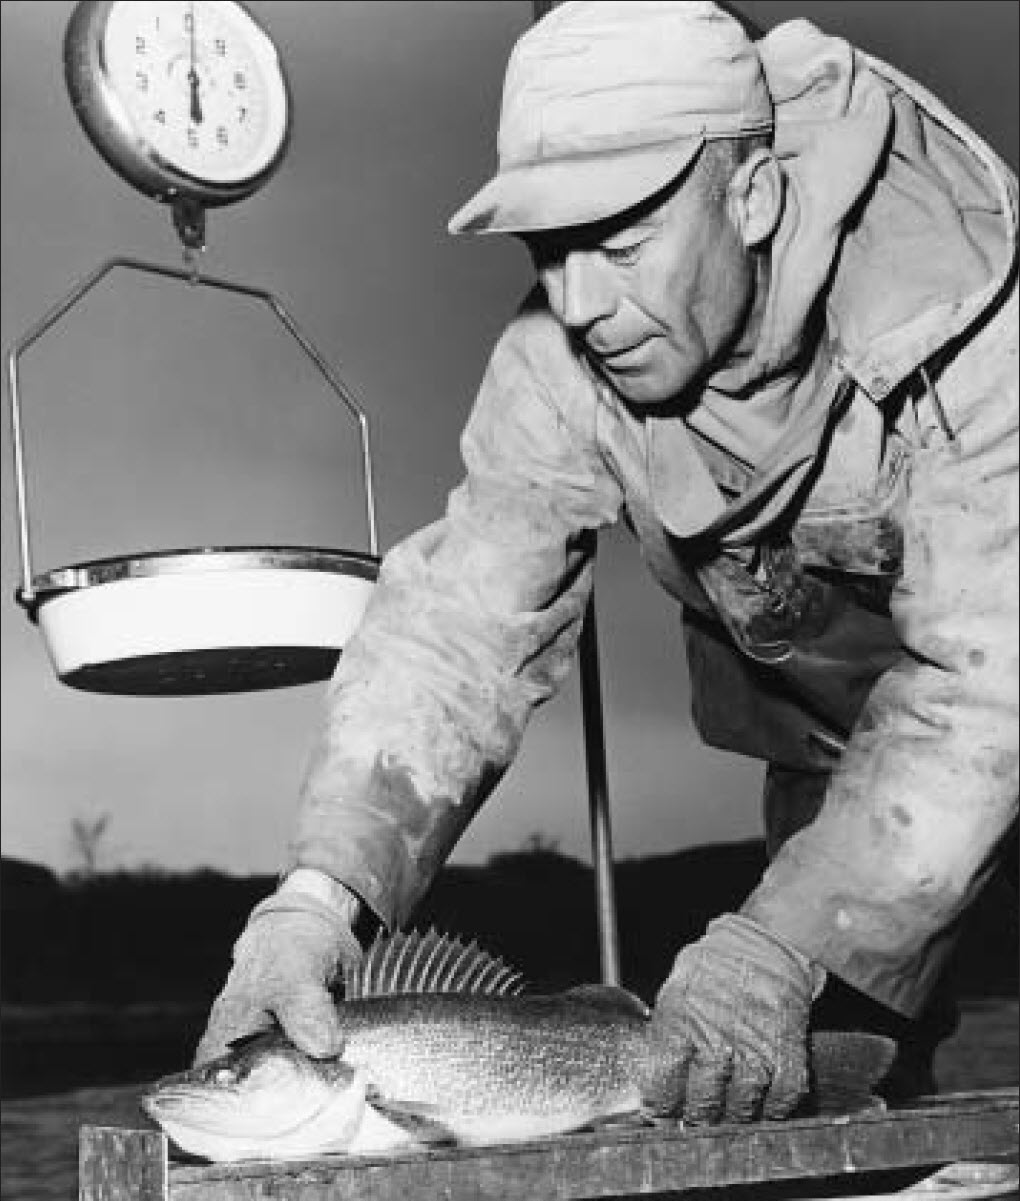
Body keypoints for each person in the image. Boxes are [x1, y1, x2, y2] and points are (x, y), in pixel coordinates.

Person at [195, 1, 1018, 1125]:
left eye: (621, 243)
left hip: (986, 704)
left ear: (754, 197)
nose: (577, 302)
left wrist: (781, 945)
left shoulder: (970, 326)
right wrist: (316, 898)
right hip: (836, 774)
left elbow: (988, 691)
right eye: (549, 251)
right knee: (819, 1084)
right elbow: (460, 627)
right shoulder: (561, 355)